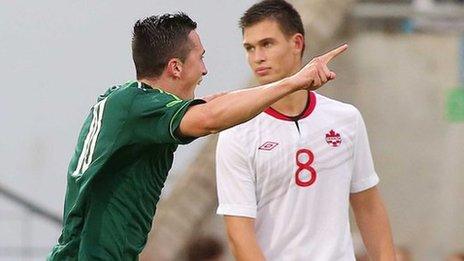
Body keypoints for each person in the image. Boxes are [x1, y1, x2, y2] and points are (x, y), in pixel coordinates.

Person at [47, 12, 346, 260]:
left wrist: (276, 86)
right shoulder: (140, 107)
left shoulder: (128, 102)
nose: (205, 70)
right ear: (176, 67)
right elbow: (209, 118)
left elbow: (212, 106)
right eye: (200, 58)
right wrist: (295, 82)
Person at [215, 1, 396, 260]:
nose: (257, 57)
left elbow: (368, 207)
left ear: (297, 43)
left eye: (267, 44)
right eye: (249, 48)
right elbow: (238, 232)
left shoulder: (346, 118)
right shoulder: (236, 131)